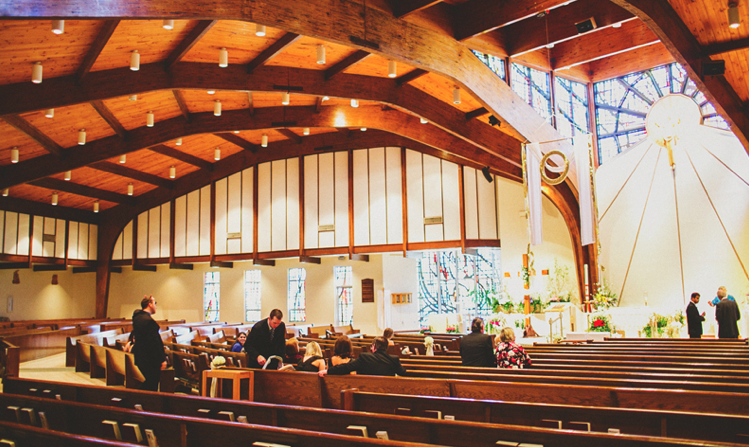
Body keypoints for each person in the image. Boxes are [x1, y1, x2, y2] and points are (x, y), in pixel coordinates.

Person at [131, 295, 167, 391]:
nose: (156, 306)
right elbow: (154, 343)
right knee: (152, 383)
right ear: (149, 304)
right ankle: (136, 399)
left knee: (150, 381)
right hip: (149, 359)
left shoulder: (137, 317)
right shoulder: (149, 322)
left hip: (140, 357)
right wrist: (162, 359)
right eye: (154, 303)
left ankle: (141, 402)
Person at [321, 337, 405, 376]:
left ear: (374, 347)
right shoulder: (394, 359)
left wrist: (327, 371)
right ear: (386, 348)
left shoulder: (364, 357)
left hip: (366, 394)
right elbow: (403, 373)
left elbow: (346, 367)